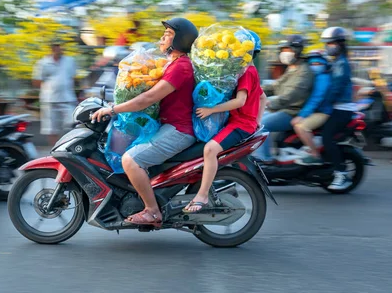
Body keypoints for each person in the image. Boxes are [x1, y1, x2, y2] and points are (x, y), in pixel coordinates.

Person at [91, 17, 199, 227]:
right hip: (168, 126)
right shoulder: (172, 64)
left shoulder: (181, 67)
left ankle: (152, 211)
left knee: (131, 160)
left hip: (179, 130)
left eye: (168, 34)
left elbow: (148, 99)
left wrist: (113, 109)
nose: (162, 37)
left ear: (180, 40)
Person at [184, 31, 266, 213]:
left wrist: (211, 110)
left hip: (240, 125)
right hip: (244, 123)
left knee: (210, 150)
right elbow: (263, 98)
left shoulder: (247, 72)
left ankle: (202, 195)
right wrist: (257, 122)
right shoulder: (248, 70)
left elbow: (240, 101)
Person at [255, 35, 314, 163]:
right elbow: (276, 86)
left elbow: (292, 95)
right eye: (283, 50)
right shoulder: (292, 69)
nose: (284, 53)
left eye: (288, 50)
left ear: (297, 51)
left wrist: (270, 103)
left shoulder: (304, 72)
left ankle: (264, 160)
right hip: (282, 108)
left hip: (291, 112)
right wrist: (253, 90)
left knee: (260, 125)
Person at [318, 27, 355, 190]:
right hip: (336, 106)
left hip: (342, 108)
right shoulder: (337, 62)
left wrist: (323, 105)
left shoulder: (342, 63)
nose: (328, 46)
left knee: (327, 136)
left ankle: (342, 174)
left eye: (331, 43)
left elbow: (336, 89)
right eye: (327, 43)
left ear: (340, 44)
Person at [32, 38, 78, 145]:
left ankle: (70, 150)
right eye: (56, 45)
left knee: (73, 124)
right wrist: (50, 88)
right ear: (52, 48)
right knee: (51, 128)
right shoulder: (43, 63)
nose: (59, 48)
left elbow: (73, 78)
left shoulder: (70, 61)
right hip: (49, 100)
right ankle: (54, 152)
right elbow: (36, 81)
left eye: (60, 45)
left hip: (68, 98)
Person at [292, 51, 332, 165]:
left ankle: (315, 155)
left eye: (318, 64)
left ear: (324, 64)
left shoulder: (323, 78)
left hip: (323, 112)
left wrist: (302, 115)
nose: (315, 66)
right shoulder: (314, 77)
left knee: (301, 127)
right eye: (312, 64)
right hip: (315, 110)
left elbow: (316, 98)